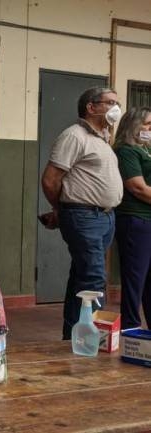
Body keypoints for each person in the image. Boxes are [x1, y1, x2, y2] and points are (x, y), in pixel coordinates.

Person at [40, 86, 124, 339]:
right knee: (94, 276)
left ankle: (72, 334)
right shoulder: (74, 136)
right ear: (91, 107)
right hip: (84, 216)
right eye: (109, 102)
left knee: (82, 273)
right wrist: (61, 208)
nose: (115, 108)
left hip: (105, 217)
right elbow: (50, 180)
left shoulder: (103, 137)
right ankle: (92, 336)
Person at [113, 106, 151, 330]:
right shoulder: (126, 150)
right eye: (147, 125)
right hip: (136, 220)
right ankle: (131, 328)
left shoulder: (146, 150)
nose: (150, 130)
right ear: (133, 126)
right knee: (135, 278)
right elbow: (137, 188)